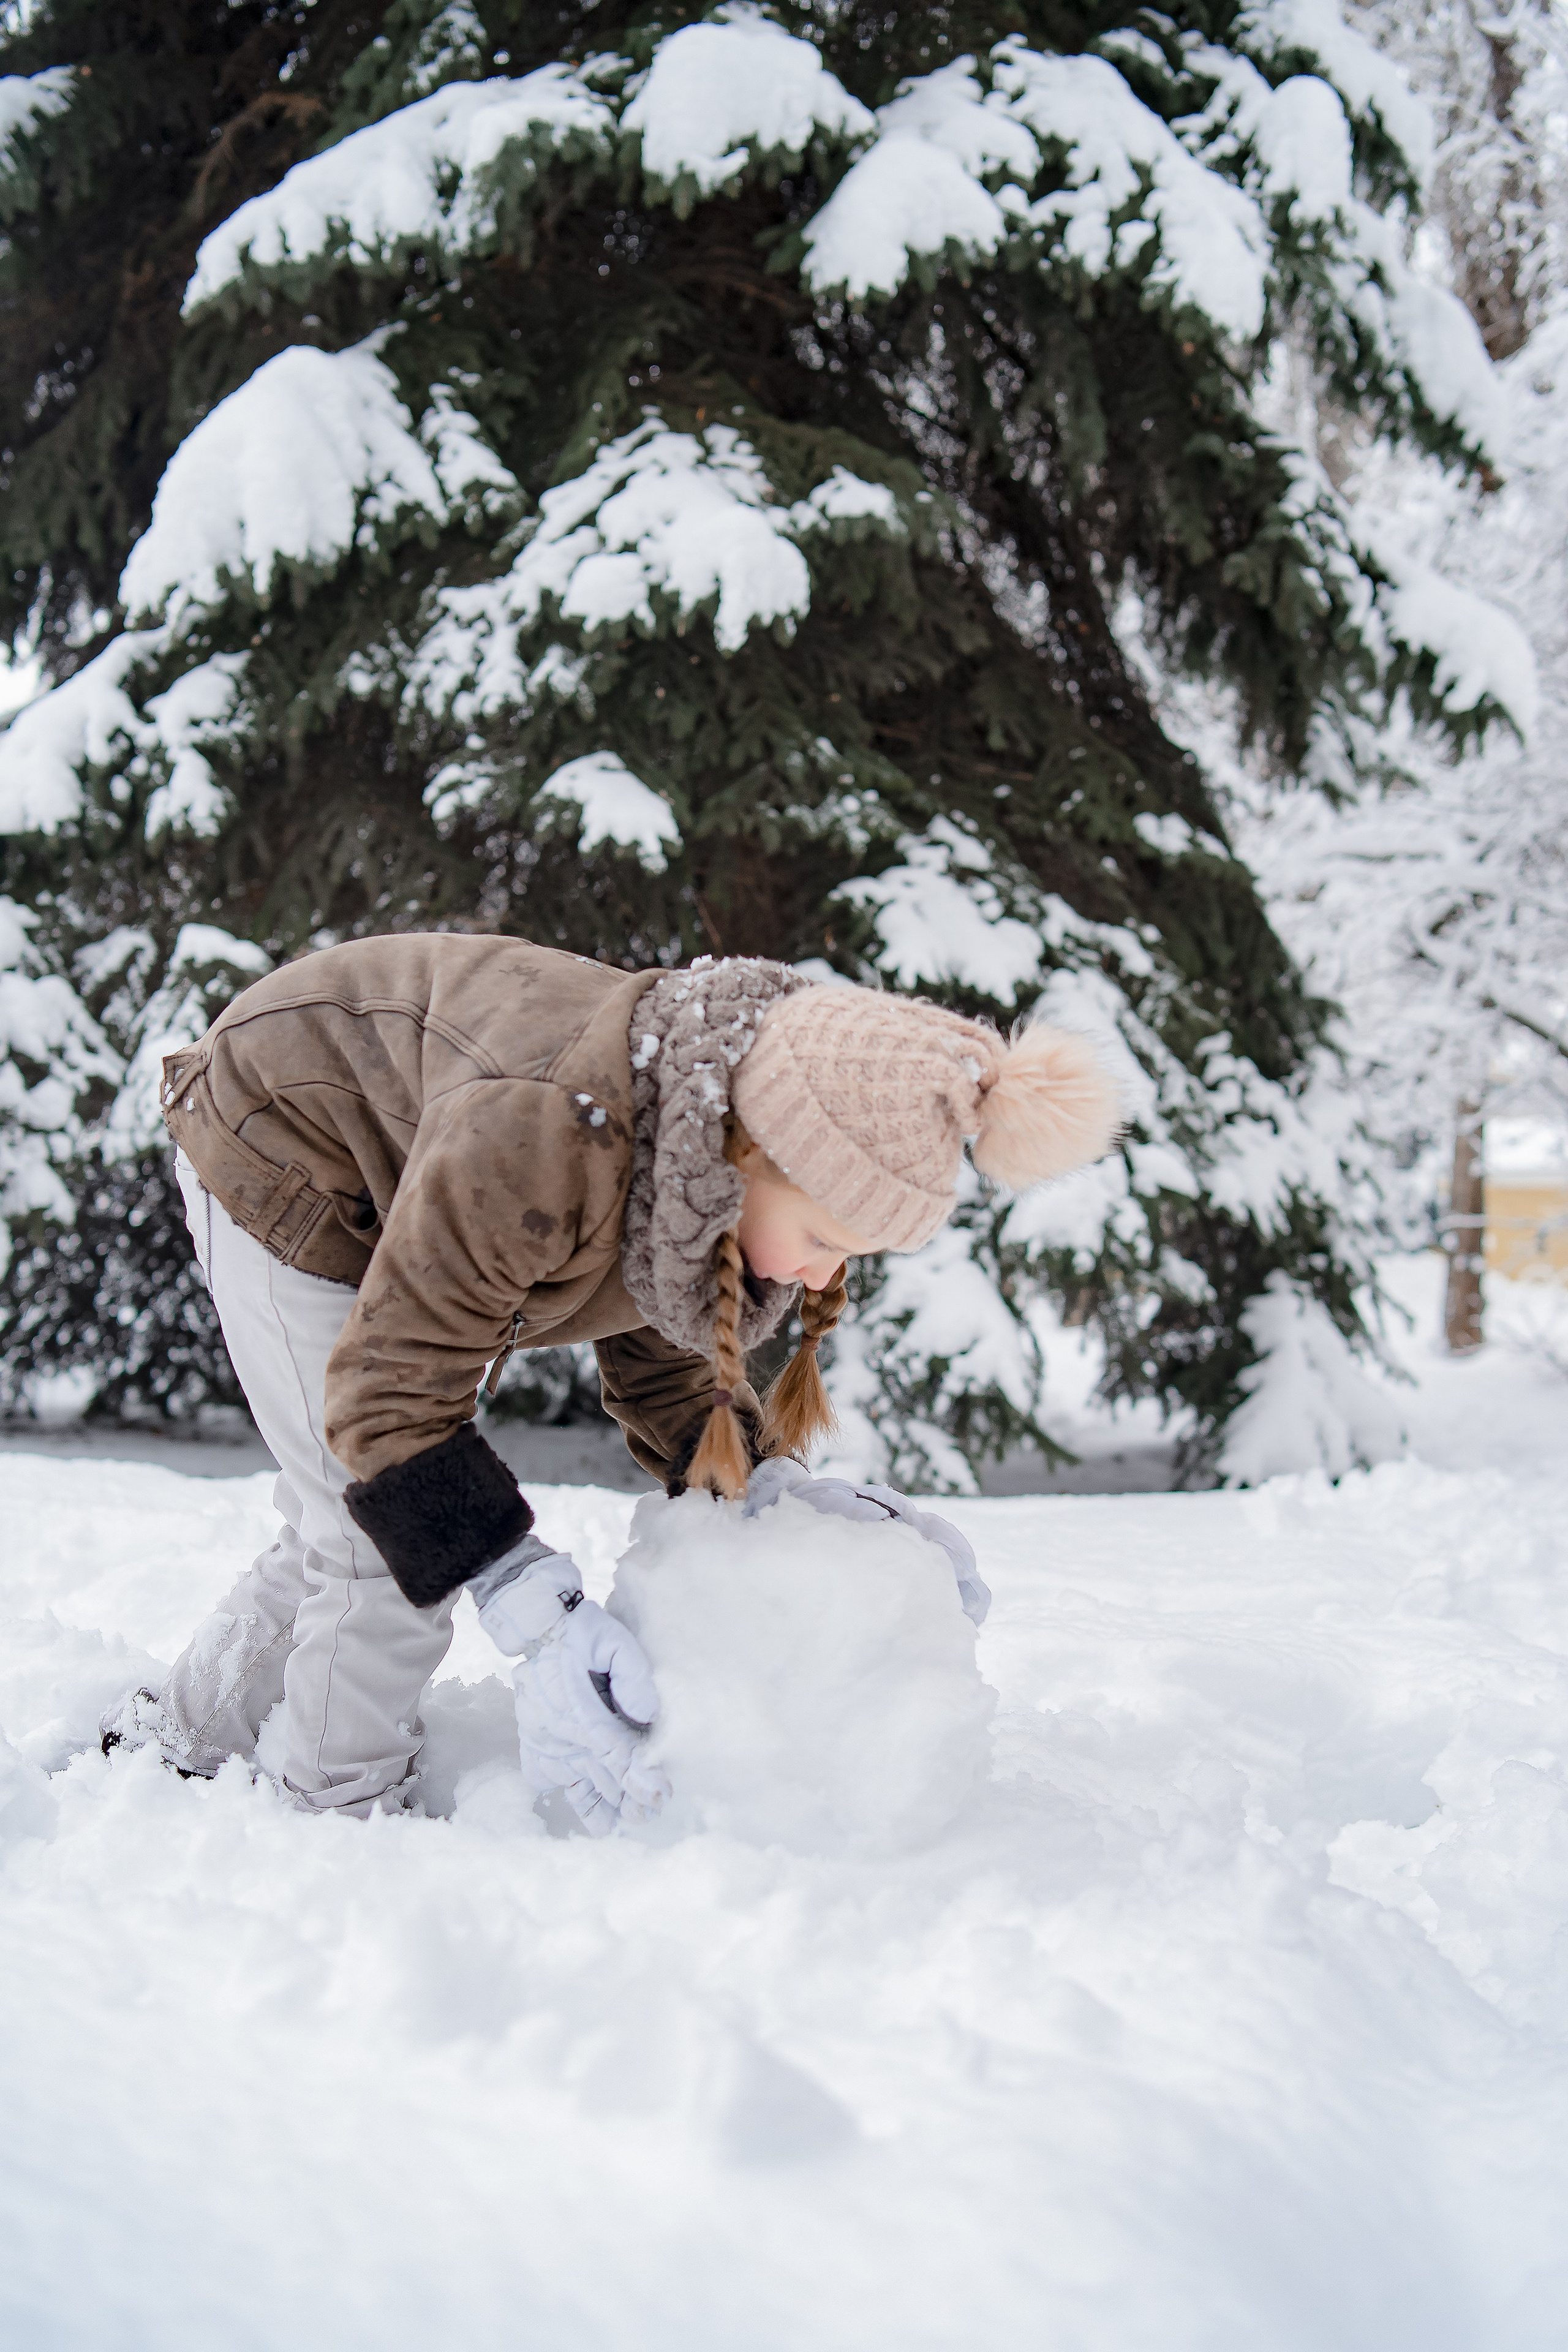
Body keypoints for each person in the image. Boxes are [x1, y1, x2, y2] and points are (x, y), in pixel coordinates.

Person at [100, 936, 1118, 1828]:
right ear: (749, 1159)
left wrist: (769, 1495)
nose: (819, 1279)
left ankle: (187, 1735)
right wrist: (527, 1604)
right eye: (821, 1238)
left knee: (350, 1517)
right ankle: (334, 1823)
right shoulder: (546, 1135)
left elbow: (661, 1351)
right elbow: (393, 1400)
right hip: (289, 1144)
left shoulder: (689, 1144)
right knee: (373, 1538)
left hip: (418, 1171)